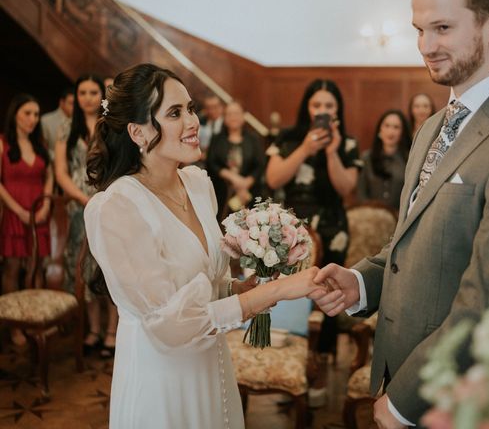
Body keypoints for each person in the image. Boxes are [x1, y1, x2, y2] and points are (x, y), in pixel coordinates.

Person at [311, 0, 489, 427]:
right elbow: (415, 244)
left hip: (467, 399)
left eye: (443, 28)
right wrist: (362, 282)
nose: (425, 45)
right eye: (419, 30)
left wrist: (404, 402)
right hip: (407, 369)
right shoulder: (434, 125)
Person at [83, 63, 325, 429]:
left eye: (191, 108)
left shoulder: (197, 185)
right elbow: (170, 323)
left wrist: (238, 288)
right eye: (175, 113)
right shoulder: (117, 208)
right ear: (137, 131)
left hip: (211, 363)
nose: (192, 122)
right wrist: (273, 292)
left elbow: (199, 285)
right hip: (161, 378)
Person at [265, 78, 361, 400]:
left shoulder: (346, 143)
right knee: (289, 290)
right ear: (307, 107)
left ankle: (318, 364)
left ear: (338, 111)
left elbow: (346, 188)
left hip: (331, 225)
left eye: (329, 106)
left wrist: (331, 153)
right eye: (317, 105)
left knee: (329, 291)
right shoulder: (290, 138)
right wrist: (305, 148)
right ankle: (288, 360)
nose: (322, 111)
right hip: (292, 226)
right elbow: (273, 177)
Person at [55, 74, 118, 358]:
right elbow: (60, 172)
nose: (88, 97)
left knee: (110, 267)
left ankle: (112, 333)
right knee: (86, 269)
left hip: (108, 203)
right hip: (78, 208)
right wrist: (82, 198)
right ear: (76, 96)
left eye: (93, 92)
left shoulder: (111, 126)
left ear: (101, 95)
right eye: (83, 92)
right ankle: (93, 330)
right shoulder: (66, 128)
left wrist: (101, 197)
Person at [0, 94, 53, 346]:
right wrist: (18, 210)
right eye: (27, 113)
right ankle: (14, 326)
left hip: (39, 213)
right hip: (13, 212)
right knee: (12, 269)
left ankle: (35, 320)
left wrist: (47, 204)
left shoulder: (41, 144)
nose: (32, 119)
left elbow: (49, 178)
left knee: (36, 267)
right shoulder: (2, 144)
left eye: (35, 114)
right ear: (15, 115)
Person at [205, 101, 265, 220]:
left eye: (236, 113)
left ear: (243, 116)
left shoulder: (253, 139)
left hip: (250, 193)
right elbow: (211, 163)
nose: (233, 117)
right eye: (229, 114)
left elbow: (260, 164)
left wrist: (245, 183)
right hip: (222, 194)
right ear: (224, 117)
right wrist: (232, 177)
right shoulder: (217, 139)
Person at [357, 109, 411, 210]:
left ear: (402, 132)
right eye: (387, 126)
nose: (391, 131)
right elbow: (361, 194)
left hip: (399, 219)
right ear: (379, 130)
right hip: (370, 217)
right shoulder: (366, 158)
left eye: (396, 127)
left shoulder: (409, 159)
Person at [41, 87, 74, 157]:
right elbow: (43, 147)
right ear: (62, 102)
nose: (75, 107)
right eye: (71, 103)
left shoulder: (78, 121)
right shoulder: (46, 120)